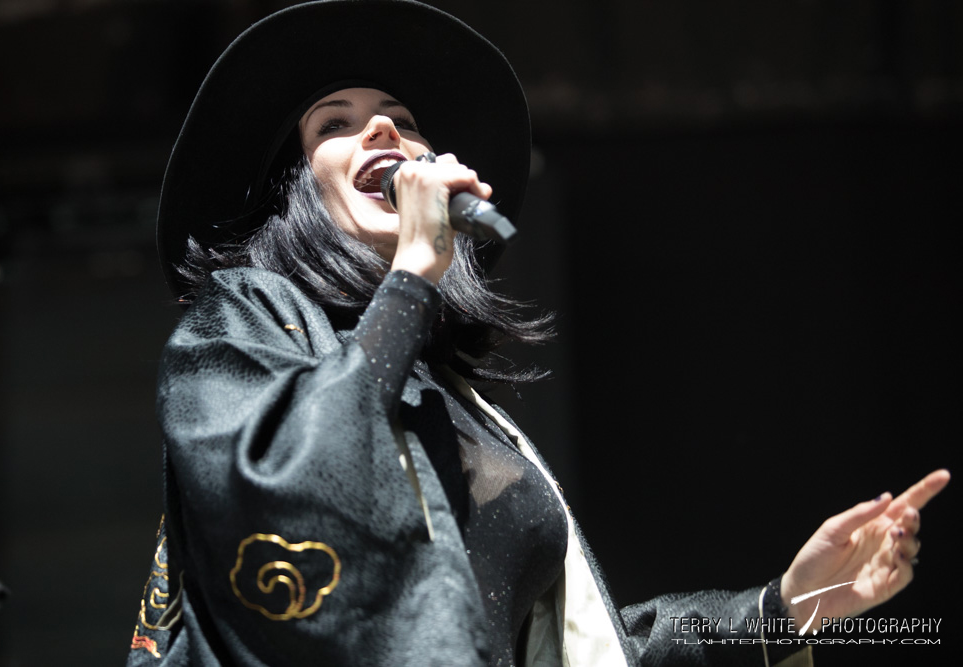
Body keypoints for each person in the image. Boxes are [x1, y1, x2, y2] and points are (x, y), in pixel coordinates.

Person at [126, 2, 950, 666]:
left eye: (401, 118)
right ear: (294, 190)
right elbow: (288, 491)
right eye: (334, 123)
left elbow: (588, 647)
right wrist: (412, 273)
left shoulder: (460, 407)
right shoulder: (240, 324)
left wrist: (785, 606)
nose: (384, 132)